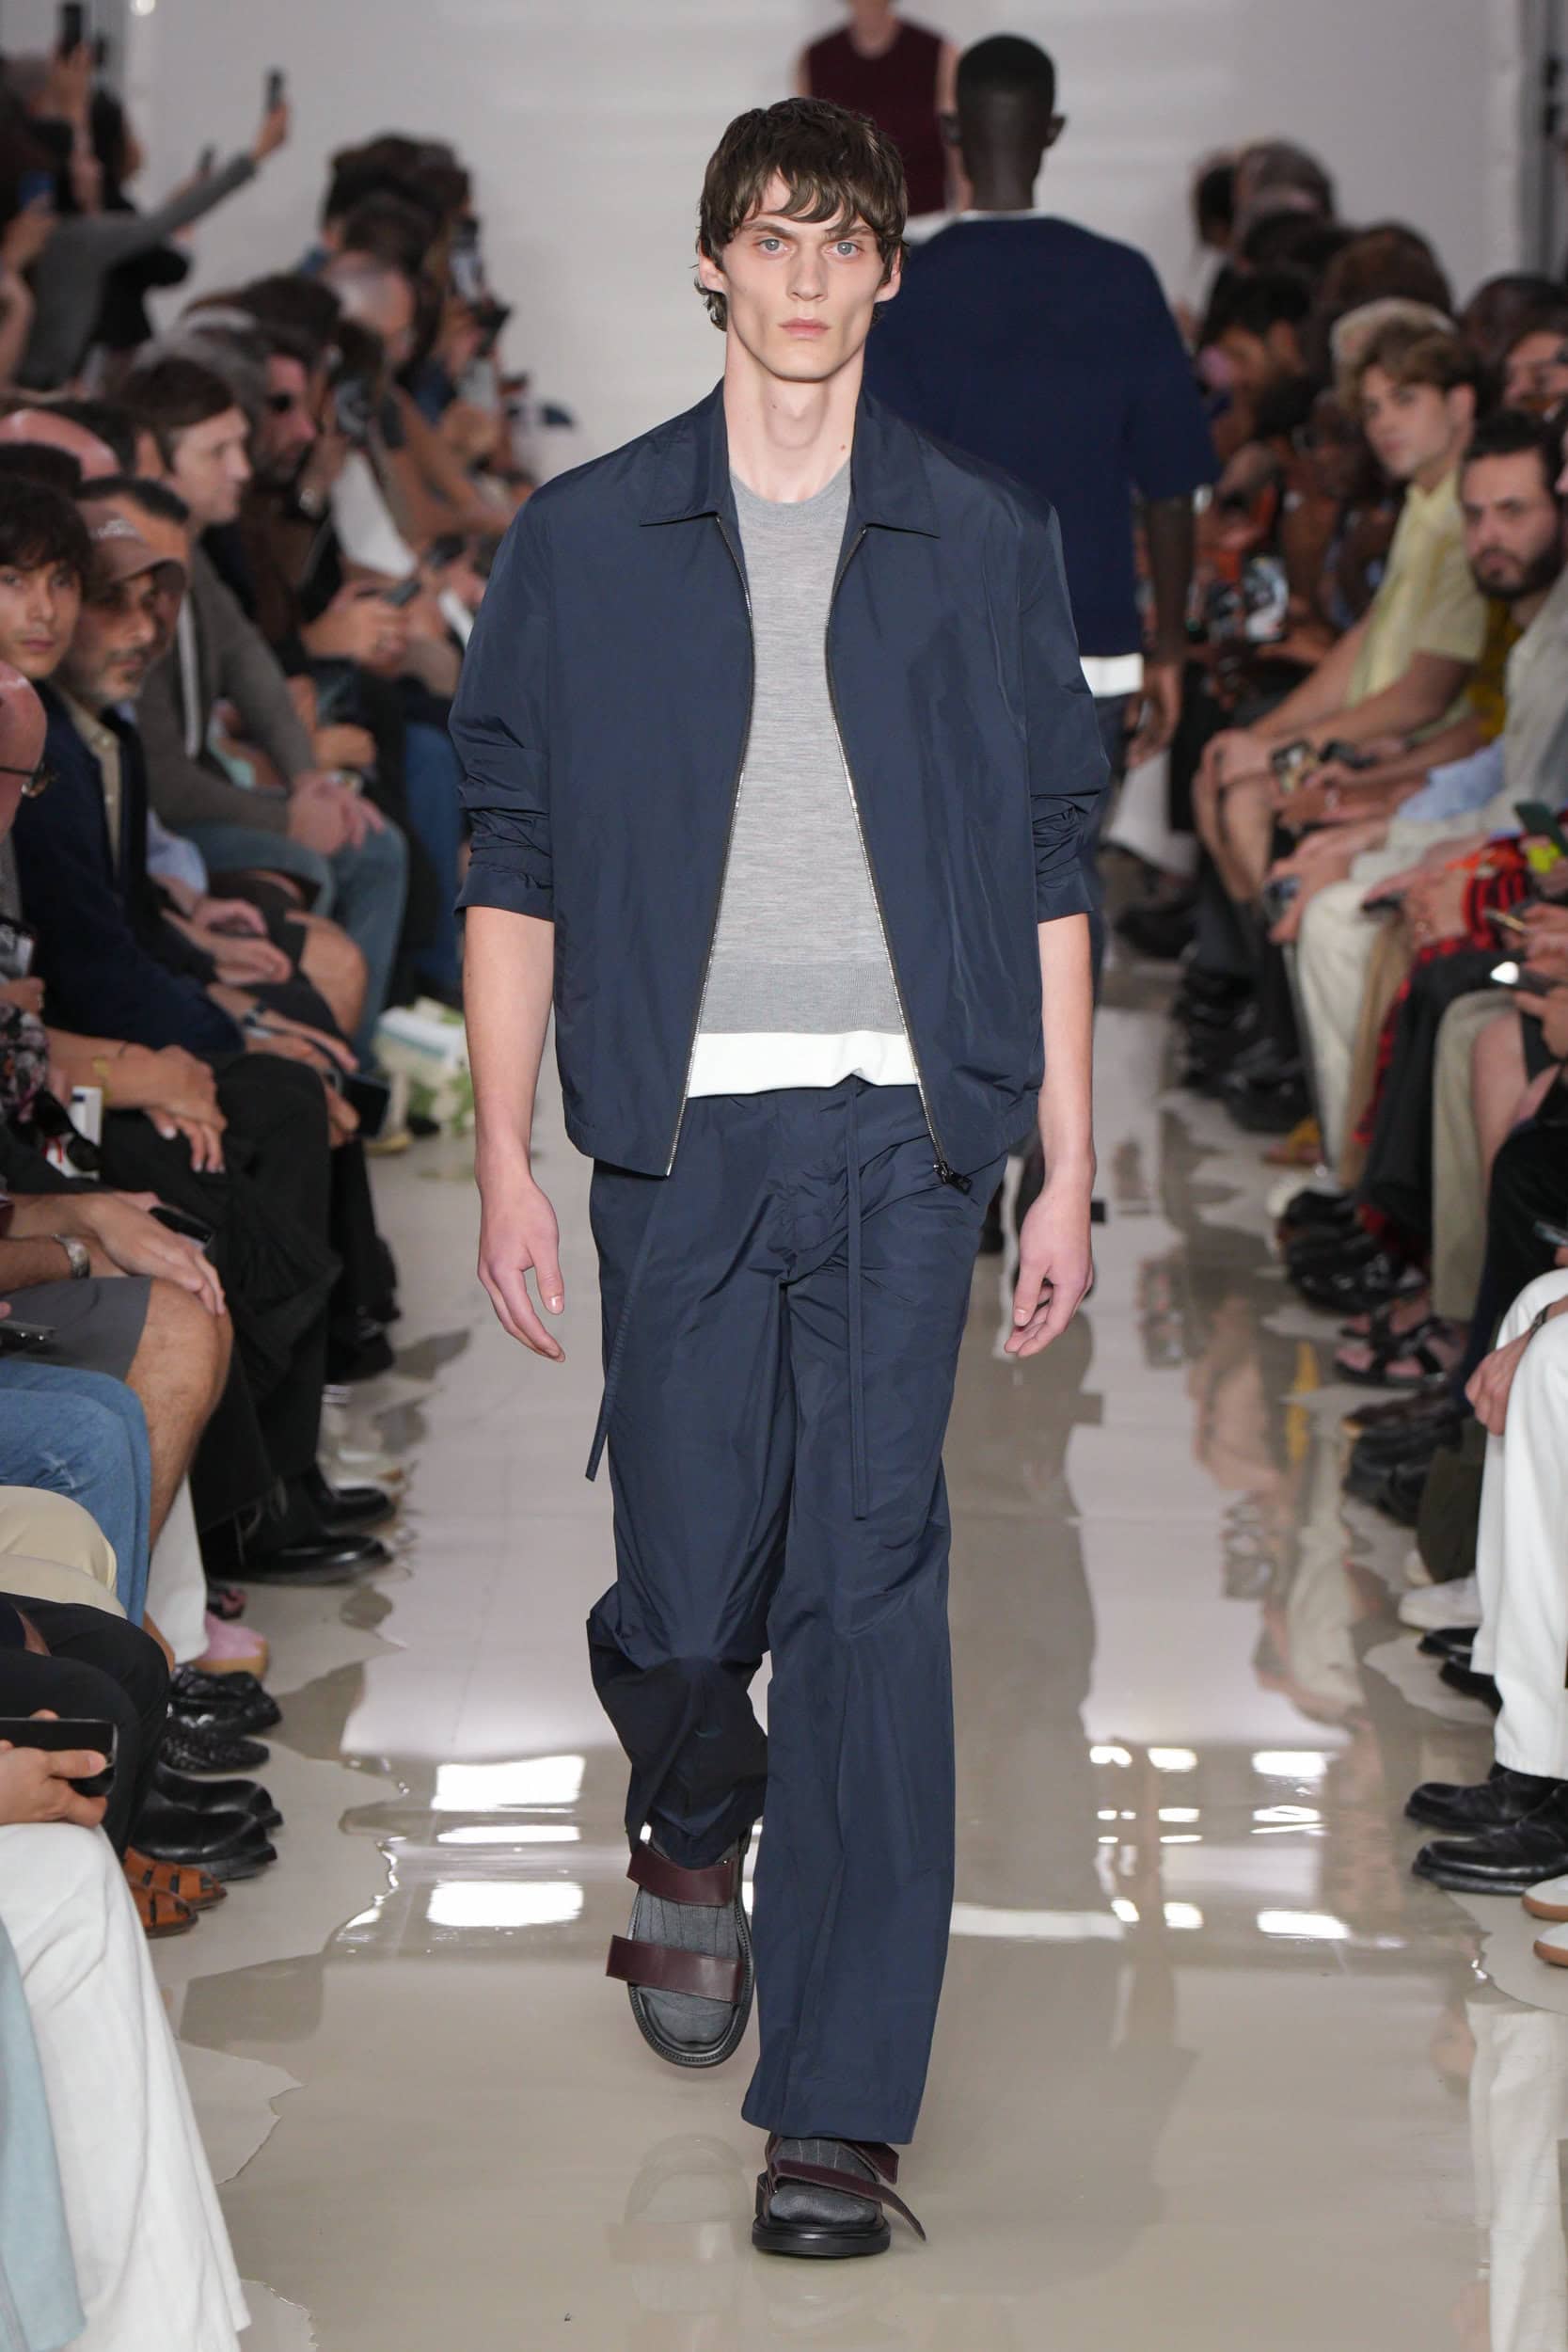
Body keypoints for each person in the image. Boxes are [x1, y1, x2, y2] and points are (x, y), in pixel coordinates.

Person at [452, 94, 1103, 2257]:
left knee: (868, 1588)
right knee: (682, 1575)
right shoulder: (582, 540)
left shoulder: (981, 535)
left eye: (844, 241)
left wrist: (1065, 1166)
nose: (807, 277)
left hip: (905, 1133)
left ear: (888, 274)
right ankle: (688, 1797)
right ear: (710, 262)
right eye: (771, 237)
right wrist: (506, 1159)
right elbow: (513, 860)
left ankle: (832, 2106)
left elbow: (1047, 863)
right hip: (676, 1130)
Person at [863, 33, 1214, 977]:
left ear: (949, 131)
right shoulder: (1121, 279)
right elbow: (1170, 487)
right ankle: (1058, 1075)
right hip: (1088, 640)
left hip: (941, 644)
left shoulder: (904, 286)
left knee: (948, 877)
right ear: (1052, 130)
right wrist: (1168, 650)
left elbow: (875, 480)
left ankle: (968, 1069)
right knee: (1063, 881)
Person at [798, 1, 957, 223]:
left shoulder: (936, 52)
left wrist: (964, 215)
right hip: (847, 222)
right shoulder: (816, 58)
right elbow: (808, 152)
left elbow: (956, 143)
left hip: (928, 220)